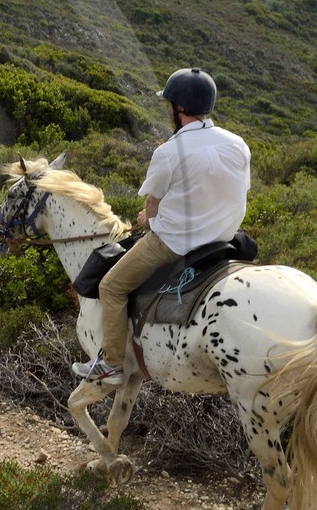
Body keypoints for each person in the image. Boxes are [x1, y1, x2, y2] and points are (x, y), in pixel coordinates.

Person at [75, 67, 251, 385]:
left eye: (168, 103)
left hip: (174, 244)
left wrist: (146, 219)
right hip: (225, 240)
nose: (166, 108)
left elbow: (152, 206)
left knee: (111, 287)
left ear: (178, 108)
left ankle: (112, 365)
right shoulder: (238, 144)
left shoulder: (168, 152)